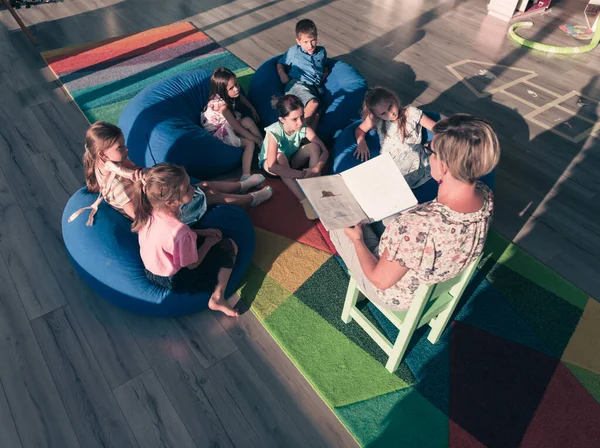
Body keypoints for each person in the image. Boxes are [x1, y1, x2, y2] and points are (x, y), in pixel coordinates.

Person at [331, 114, 500, 310]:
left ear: (444, 166)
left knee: (338, 222)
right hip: (431, 266)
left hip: (394, 293)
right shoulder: (484, 194)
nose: (428, 154)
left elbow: (380, 280)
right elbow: (422, 231)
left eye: (431, 151)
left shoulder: (417, 226)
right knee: (381, 210)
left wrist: (357, 240)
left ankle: (358, 272)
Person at [73, 122, 271, 226]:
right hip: (165, 213)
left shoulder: (100, 160)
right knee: (210, 195)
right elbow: (140, 218)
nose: (126, 149)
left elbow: (125, 168)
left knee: (203, 185)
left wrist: (138, 173)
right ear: (103, 153)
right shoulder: (118, 186)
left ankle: (242, 184)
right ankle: (250, 198)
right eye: (120, 147)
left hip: (150, 195)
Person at [132, 163, 241, 317]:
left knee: (198, 240)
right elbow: (192, 265)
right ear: (171, 202)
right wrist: (209, 243)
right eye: (188, 188)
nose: (193, 189)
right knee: (230, 247)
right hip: (176, 279)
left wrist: (199, 233)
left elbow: (167, 238)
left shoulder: (149, 211)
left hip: (151, 271)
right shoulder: (180, 231)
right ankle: (218, 297)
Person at [258, 95, 328, 220]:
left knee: (314, 147)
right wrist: (301, 174)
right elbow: (272, 166)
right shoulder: (273, 132)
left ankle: (313, 185)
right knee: (280, 157)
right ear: (282, 119)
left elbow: (324, 151)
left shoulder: (303, 127)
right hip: (271, 166)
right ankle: (305, 201)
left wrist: (317, 168)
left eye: (302, 116)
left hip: (290, 161)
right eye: (294, 119)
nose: (300, 122)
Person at [355, 87, 437, 189]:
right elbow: (360, 130)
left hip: (416, 166)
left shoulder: (411, 113)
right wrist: (361, 142)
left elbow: (437, 129)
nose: (391, 114)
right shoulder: (376, 119)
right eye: (383, 113)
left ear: (394, 99)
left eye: (390, 107)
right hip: (389, 168)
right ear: (376, 114)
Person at [201, 68, 263, 180]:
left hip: (226, 124)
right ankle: (246, 175)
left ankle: (263, 147)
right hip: (217, 131)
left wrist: (252, 108)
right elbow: (239, 128)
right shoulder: (223, 107)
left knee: (248, 120)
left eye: (236, 84)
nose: (236, 89)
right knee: (250, 143)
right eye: (231, 88)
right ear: (222, 91)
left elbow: (241, 97)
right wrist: (256, 140)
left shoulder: (231, 94)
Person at [276, 19, 329, 130]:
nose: (310, 45)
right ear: (298, 41)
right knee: (313, 103)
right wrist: (282, 73)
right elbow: (280, 62)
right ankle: (295, 133)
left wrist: (325, 71)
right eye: (305, 42)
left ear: (317, 37)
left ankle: (305, 142)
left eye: (313, 40)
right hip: (297, 84)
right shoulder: (294, 52)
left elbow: (324, 64)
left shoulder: (322, 52)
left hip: (313, 88)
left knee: (317, 114)